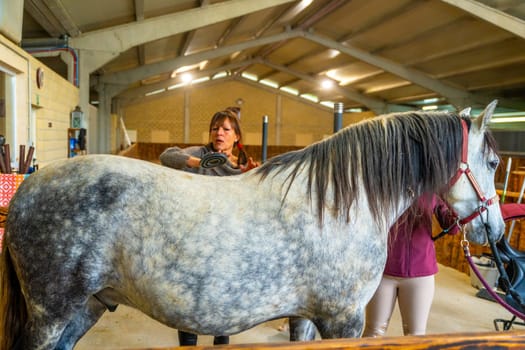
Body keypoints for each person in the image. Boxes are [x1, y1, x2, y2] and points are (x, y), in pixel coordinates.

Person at [159, 108, 258, 345]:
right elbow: (167, 156)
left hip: (227, 246)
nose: (219, 133)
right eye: (215, 128)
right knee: (188, 305)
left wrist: (254, 179)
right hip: (194, 242)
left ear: (236, 137)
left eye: (225, 129)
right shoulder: (201, 153)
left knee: (223, 310)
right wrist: (197, 162)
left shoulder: (243, 166)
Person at [362, 194, 459, 337]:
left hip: (420, 272)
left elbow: (452, 228)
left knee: (415, 335)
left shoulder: (432, 186)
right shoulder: (386, 181)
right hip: (383, 270)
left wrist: (457, 204)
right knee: (374, 331)